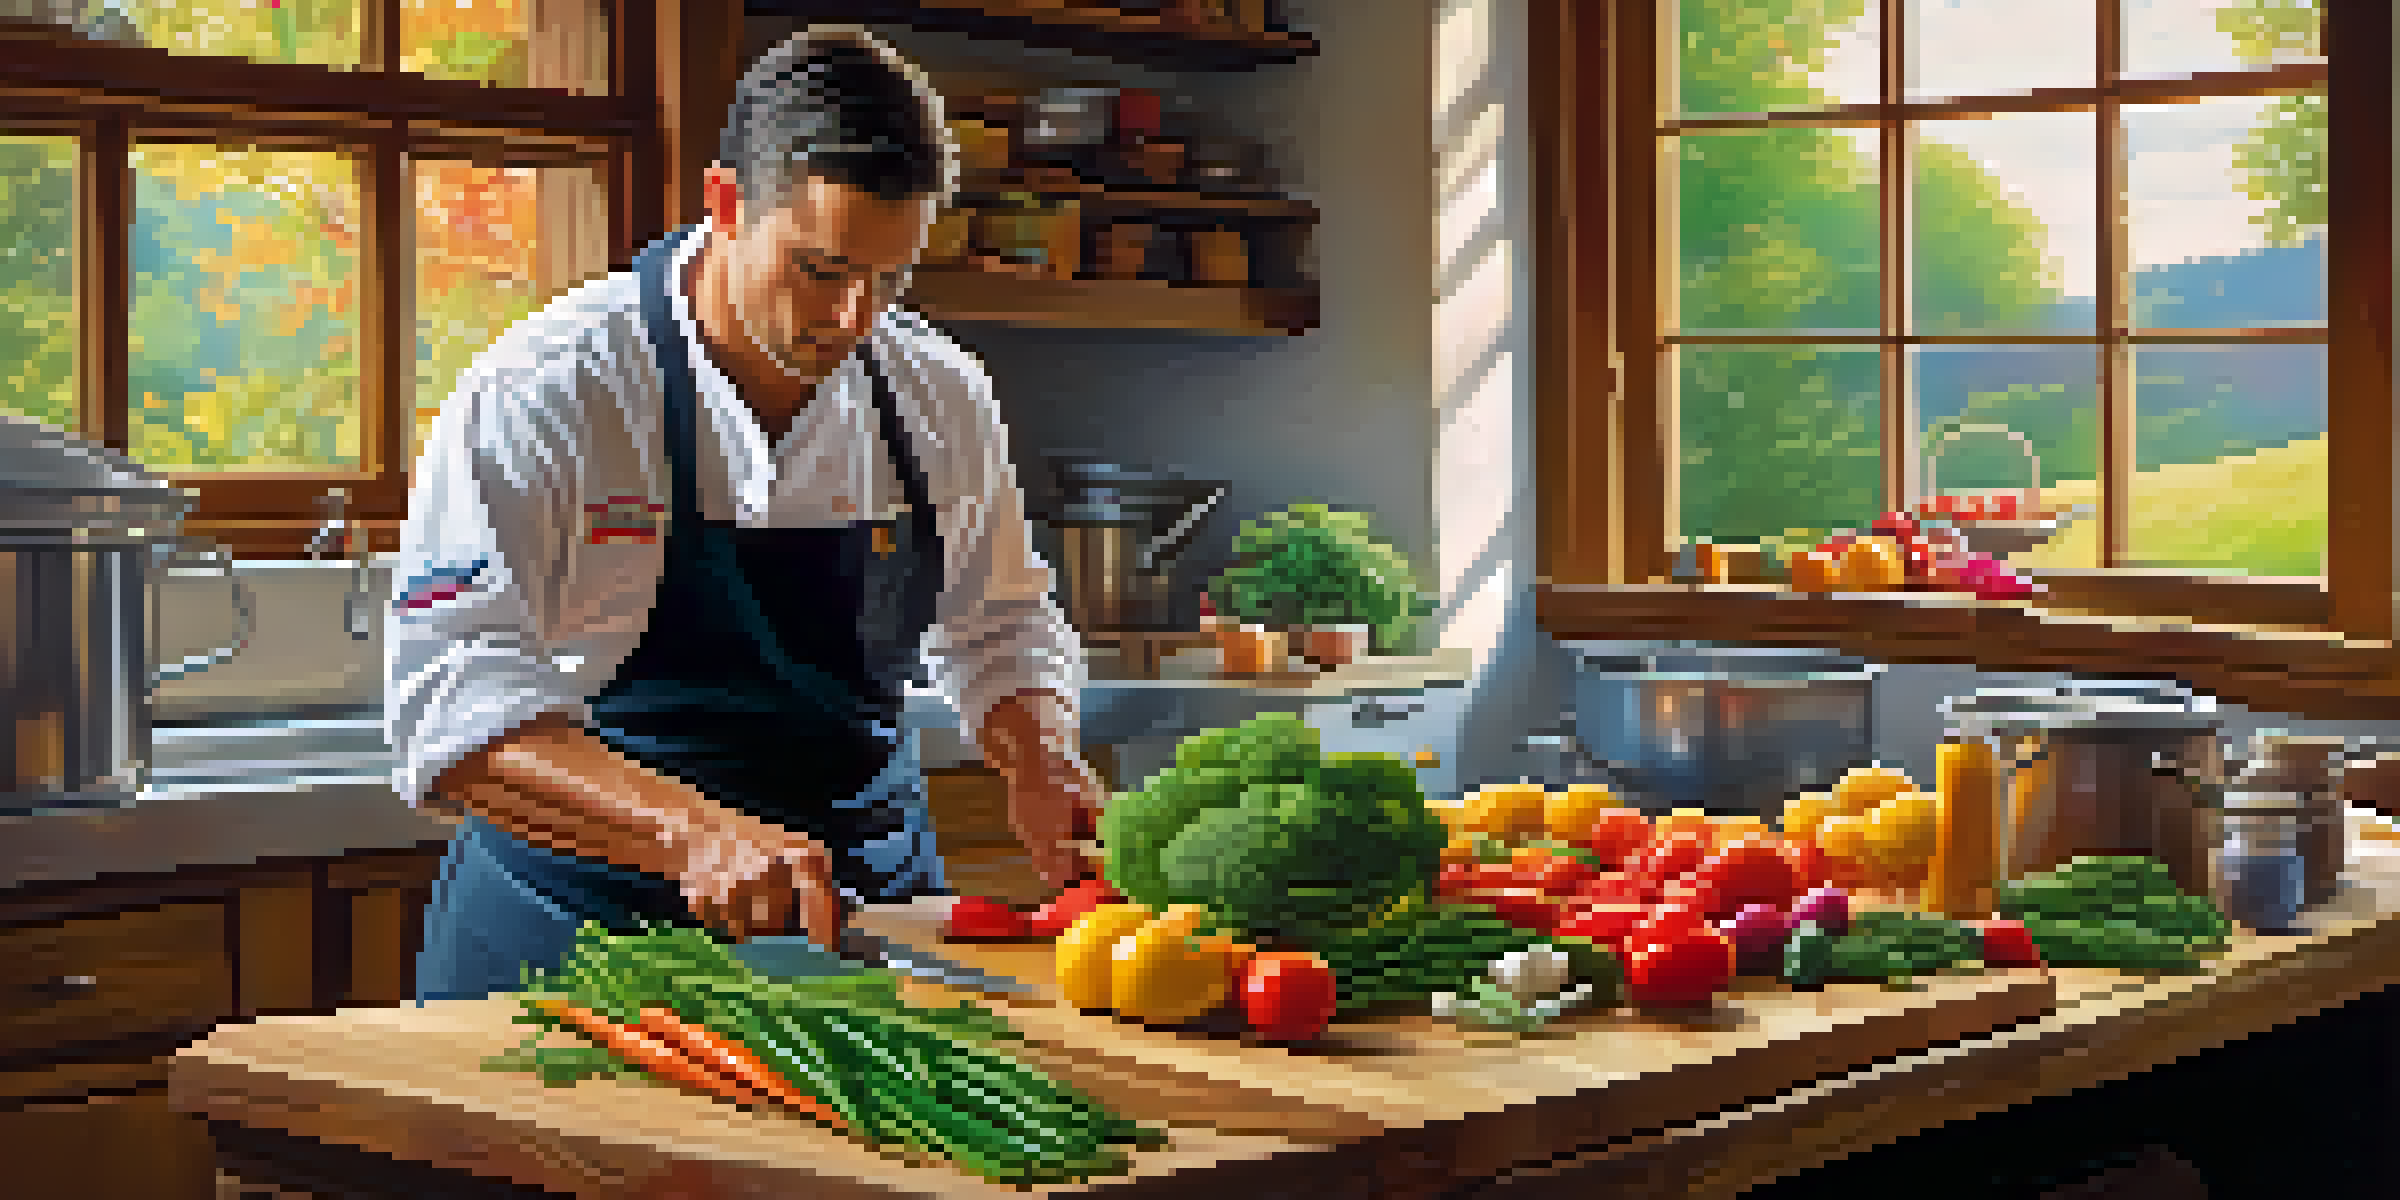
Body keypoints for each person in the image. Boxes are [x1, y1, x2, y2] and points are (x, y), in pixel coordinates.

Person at [388, 27, 1101, 1001]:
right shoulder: (550, 391)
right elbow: (450, 712)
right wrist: (692, 835)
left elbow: (1000, 625)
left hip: (860, 926)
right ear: (725, 204)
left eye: (890, 280)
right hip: (580, 943)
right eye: (820, 269)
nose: (854, 319)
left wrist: (1040, 754)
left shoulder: (937, 392)